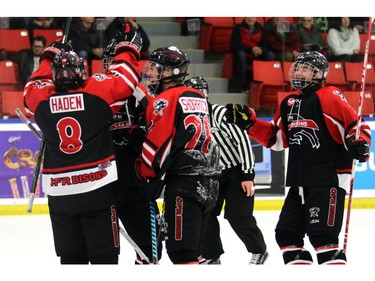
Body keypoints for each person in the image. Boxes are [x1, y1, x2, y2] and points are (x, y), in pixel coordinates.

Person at [224, 51, 371, 265]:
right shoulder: (289, 102)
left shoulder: (330, 95)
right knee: (286, 236)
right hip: (299, 181)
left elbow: (357, 126)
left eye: (305, 68)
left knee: (323, 239)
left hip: (328, 179)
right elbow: (277, 140)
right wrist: (250, 123)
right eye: (298, 67)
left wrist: (360, 142)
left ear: (319, 74)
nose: (298, 72)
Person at [23, 23, 143, 264]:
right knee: (104, 257)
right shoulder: (96, 95)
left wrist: (50, 55)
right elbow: (126, 78)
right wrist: (127, 46)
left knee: (71, 258)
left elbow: (31, 88)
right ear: (82, 74)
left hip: (59, 194)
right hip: (96, 190)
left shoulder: (42, 102)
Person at [135, 46, 220, 264]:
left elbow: (159, 142)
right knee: (193, 254)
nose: (151, 72)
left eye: (157, 69)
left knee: (182, 254)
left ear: (173, 72)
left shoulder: (166, 98)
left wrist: (146, 173)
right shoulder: (198, 96)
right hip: (209, 182)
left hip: (184, 184)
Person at [184, 76, 268, 265]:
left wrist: (248, 175)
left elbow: (244, 142)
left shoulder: (221, 113)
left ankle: (259, 251)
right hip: (210, 174)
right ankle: (212, 254)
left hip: (236, 172)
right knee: (207, 215)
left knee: (238, 215)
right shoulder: (189, 120)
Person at [101, 37, 162, 264]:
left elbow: (157, 125)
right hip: (102, 188)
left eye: (115, 62)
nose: (111, 67)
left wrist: (142, 132)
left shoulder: (140, 95)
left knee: (151, 251)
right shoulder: (93, 94)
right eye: (108, 62)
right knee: (104, 254)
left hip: (135, 185)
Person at [231, 17, 275, 93]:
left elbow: (266, 45)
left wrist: (259, 50)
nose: (251, 19)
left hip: (257, 54)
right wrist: (251, 49)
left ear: (256, 18)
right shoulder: (238, 28)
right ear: (245, 18)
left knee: (270, 55)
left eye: (253, 17)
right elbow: (236, 45)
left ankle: (265, 84)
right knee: (241, 55)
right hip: (244, 54)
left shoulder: (261, 29)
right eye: (249, 17)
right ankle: (243, 86)